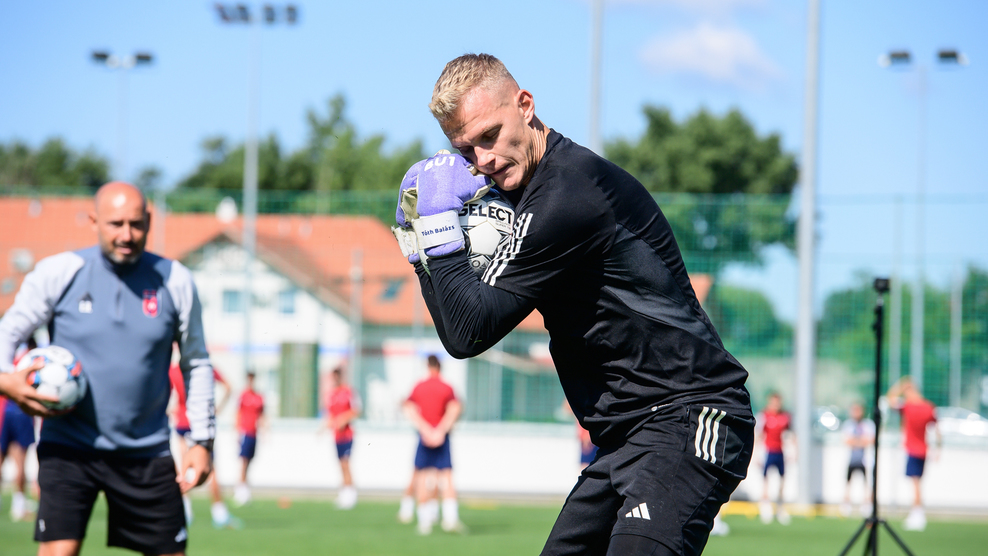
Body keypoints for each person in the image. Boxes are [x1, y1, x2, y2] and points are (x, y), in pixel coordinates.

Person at [392, 53, 753, 555]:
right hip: (625, 437)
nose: (483, 159)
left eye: (490, 135)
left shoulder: (569, 193)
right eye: (466, 149)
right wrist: (420, 253)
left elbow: (470, 330)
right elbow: (461, 326)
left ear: (525, 105)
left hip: (690, 415)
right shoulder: (527, 199)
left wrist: (436, 232)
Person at [0, 181, 216, 556]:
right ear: (94, 221)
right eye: (116, 224)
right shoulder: (59, 272)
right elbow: (8, 332)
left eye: (136, 224)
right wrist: (7, 383)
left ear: (149, 221)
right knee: (58, 552)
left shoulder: (175, 279)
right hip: (68, 448)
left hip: (146, 451)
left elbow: (196, 362)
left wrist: (202, 441)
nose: (126, 235)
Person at [168, 360, 237, 529]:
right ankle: (219, 512)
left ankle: (185, 511)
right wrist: (217, 409)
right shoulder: (204, 367)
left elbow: (163, 394)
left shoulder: (174, 370)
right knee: (209, 467)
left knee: (183, 468)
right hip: (201, 423)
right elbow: (228, 387)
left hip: (183, 423)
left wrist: (169, 411)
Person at [403, 355, 464, 535]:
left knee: (422, 476)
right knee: (447, 476)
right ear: (440, 366)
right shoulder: (446, 387)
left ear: (427, 366)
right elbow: (455, 409)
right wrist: (440, 431)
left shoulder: (419, 386)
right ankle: (450, 519)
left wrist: (425, 430)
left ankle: (424, 523)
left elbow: (409, 408)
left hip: (425, 436)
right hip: (441, 436)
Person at [887, 377, 939, 531]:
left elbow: (890, 399)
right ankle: (917, 512)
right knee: (917, 482)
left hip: (912, 449)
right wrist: (937, 449)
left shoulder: (908, 406)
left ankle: (917, 513)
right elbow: (937, 428)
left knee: (915, 483)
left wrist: (901, 385)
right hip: (923, 449)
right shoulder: (929, 407)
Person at [2, 338, 40, 522]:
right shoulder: (33, 362)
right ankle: (18, 506)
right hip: (21, 413)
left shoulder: (11, 360)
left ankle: (18, 505)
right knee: (20, 461)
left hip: (4, 412)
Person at [324, 366, 361, 510]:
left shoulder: (349, 392)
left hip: (347, 435)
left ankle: (351, 495)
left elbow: (356, 410)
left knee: (346, 464)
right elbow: (330, 415)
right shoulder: (331, 394)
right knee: (341, 464)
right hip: (337, 436)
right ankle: (344, 494)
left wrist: (343, 419)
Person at [757, 392, 794, 525]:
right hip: (768, 451)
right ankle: (765, 506)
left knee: (782, 480)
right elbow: (759, 435)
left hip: (780, 451)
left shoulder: (785, 416)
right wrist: (756, 454)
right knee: (765, 480)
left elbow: (791, 434)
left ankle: (780, 507)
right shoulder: (764, 416)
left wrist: (793, 451)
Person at [234, 371, 264, 507]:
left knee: (250, 461)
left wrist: (265, 431)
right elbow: (237, 413)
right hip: (245, 432)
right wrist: (237, 431)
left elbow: (262, 415)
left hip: (254, 433)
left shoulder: (259, 397)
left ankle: (245, 488)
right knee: (243, 461)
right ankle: (240, 490)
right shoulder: (243, 395)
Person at [840, 401, 875, 517]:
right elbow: (847, 440)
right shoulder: (848, 425)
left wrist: (857, 441)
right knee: (848, 482)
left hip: (865, 460)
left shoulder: (868, 424)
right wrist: (860, 441)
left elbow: (870, 440)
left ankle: (867, 504)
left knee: (867, 483)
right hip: (851, 459)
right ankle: (846, 504)